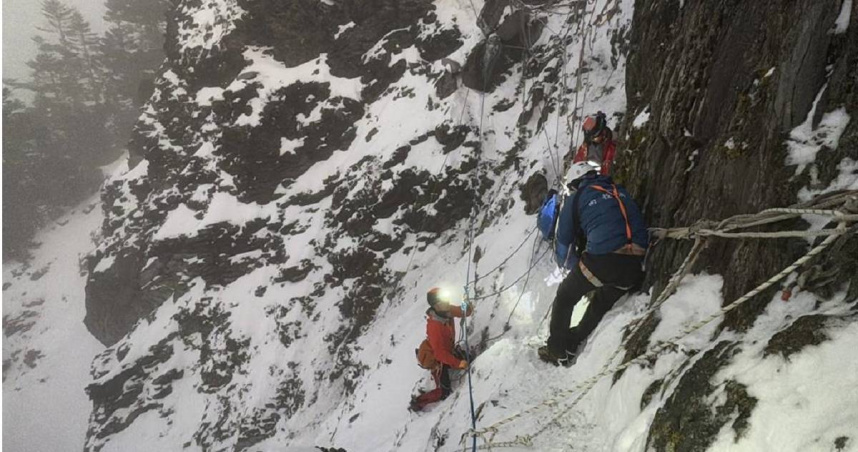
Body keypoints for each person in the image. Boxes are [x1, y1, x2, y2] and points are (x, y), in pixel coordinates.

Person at [537, 162, 648, 365]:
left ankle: (557, 350)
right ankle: (575, 338)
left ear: (575, 183)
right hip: (635, 264)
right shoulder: (618, 190)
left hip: (603, 259)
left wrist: (571, 269)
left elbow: (564, 242)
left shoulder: (577, 197)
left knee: (565, 297)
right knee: (602, 301)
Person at [410, 287, 473, 411]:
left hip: (446, 350)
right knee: (445, 392)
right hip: (436, 359)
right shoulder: (435, 327)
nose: (446, 303)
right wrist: (458, 363)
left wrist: (467, 306)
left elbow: (463, 312)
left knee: (468, 358)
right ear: (435, 306)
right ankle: (418, 402)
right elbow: (440, 354)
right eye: (442, 302)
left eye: (446, 300)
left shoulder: (447, 311)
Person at [571, 111, 616, 176]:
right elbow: (578, 162)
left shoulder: (613, 145)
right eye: (590, 138)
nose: (593, 140)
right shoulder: (586, 146)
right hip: (588, 180)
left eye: (595, 137)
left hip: (603, 182)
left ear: (603, 133)